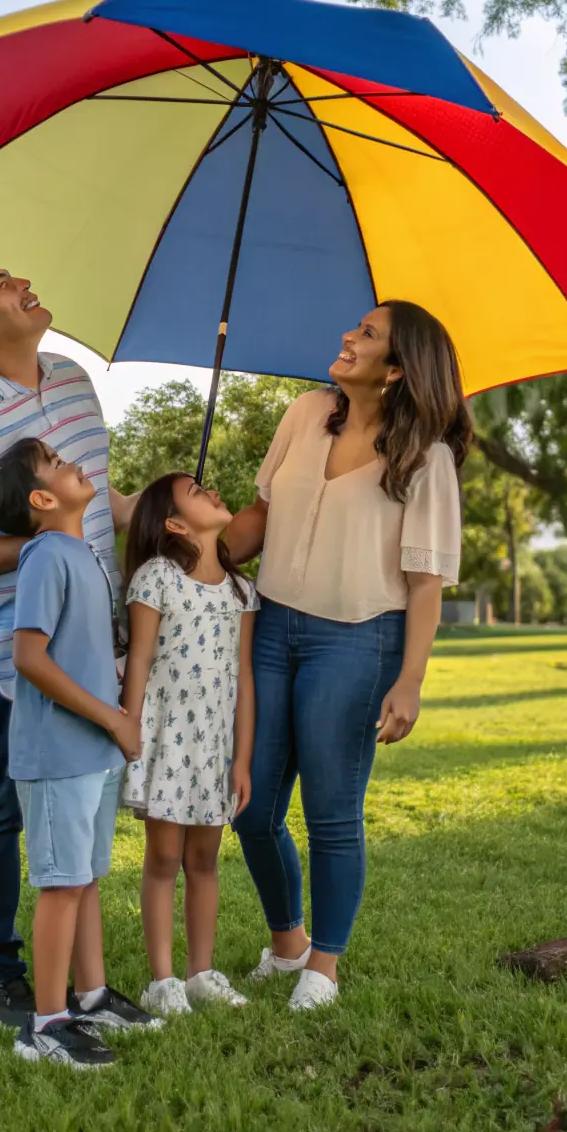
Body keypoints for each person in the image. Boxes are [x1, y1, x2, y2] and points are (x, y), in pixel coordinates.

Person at [0, 254, 137, 1030]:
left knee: (82, 805)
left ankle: (87, 985)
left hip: (90, 649)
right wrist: (52, 547)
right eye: (2, 285)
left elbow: (96, 488)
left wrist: (159, 507)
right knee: (1, 809)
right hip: (6, 657)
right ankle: (1, 971)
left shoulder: (73, 378)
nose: (24, 283)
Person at [225, 300, 469, 1011]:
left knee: (332, 811)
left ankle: (323, 966)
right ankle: (288, 940)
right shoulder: (304, 414)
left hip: (358, 639)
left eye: (366, 334)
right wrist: (191, 549)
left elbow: (427, 581)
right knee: (250, 805)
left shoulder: (427, 456)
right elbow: (262, 516)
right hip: (269, 628)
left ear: (396, 371)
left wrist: (411, 681)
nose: (346, 336)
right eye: (355, 326)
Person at [0, 438, 158, 1067]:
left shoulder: (80, 553)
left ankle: (92, 994)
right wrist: (111, 715)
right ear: (43, 498)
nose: (73, 464)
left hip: (94, 752)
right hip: (58, 755)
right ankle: (47, 1025)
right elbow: (29, 657)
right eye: (57, 464)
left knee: (84, 879)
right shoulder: (45, 556)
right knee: (62, 884)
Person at [120, 473, 258, 1016]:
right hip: (168, 742)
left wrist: (241, 758)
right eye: (197, 491)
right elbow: (138, 657)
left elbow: (244, 676)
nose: (214, 491)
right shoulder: (156, 579)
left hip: (214, 746)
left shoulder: (241, 590)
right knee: (163, 858)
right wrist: (129, 722)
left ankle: (201, 972)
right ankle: (163, 981)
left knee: (204, 859)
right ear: (174, 523)